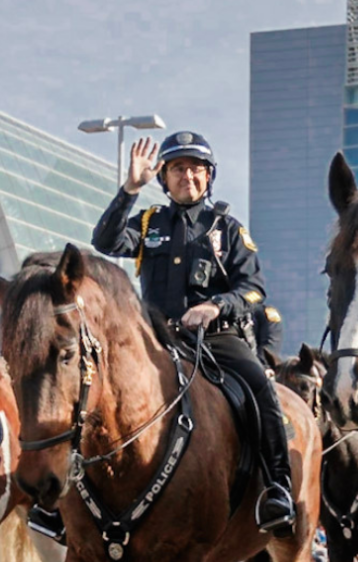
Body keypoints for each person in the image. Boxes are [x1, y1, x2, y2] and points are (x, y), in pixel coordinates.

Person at [91, 131, 297, 537]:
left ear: (209, 177)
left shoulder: (229, 229)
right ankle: (69, 493)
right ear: (163, 178)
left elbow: (253, 289)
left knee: (260, 388)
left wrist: (216, 306)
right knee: (93, 385)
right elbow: (105, 240)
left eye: (197, 169)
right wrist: (129, 189)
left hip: (216, 339)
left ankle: (278, 487)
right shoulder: (149, 223)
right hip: (153, 340)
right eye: (178, 168)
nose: (188, 175)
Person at [247, 302, 284, 368]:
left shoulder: (267, 313)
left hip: (257, 365)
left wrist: (262, 366)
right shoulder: (226, 310)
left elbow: (270, 345)